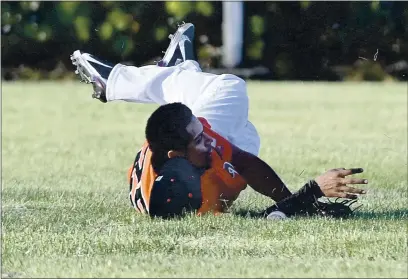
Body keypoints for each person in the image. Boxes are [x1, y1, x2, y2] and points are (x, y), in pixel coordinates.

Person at [70, 23, 368, 219]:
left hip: (180, 150)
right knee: (229, 89)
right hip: (192, 159)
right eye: (200, 138)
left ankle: (149, 76)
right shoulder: (189, 198)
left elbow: (243, 161)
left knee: (229, 123)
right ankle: (161, 74)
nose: (209, 138)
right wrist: (311, 193)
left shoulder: (184, 163)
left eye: (203, 132)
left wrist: (301, 203)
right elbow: (266, 220)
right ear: (176, 157)